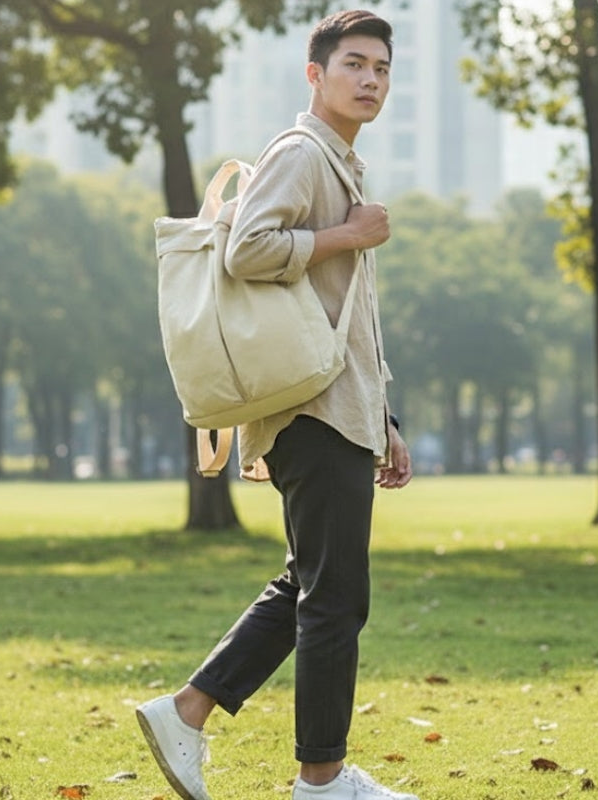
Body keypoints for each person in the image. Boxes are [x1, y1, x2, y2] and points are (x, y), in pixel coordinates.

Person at [136, 10, 417, 800]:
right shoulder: (301, 155)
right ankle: (321, 780)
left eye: (382, 69)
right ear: (315, 74)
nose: (370, 80)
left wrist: (384, 415)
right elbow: (248, 248)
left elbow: (348, 315)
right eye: (354, 64)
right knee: (335, 599)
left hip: (338, 405)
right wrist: (347, 235)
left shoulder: (343, 166)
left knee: (311, 582)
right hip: (312, 408)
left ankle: (186, 712)